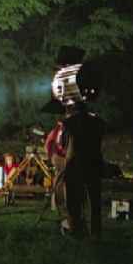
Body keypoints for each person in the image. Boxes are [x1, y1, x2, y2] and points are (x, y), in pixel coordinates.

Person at [61, 102, 105, 240]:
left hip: (75, 164)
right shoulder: (98, 122)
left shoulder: (69, 123)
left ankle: (76, 229)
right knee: (94, 201)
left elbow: (64, 144)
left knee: (74, 200)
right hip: (93, 163)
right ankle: (95, 232)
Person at [44, 120, 67, 211]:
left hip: (57, 157)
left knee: (60, 180)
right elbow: (60, 145)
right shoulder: (59, 131)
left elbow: (47, 145)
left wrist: (50, 156)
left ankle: (58, 203)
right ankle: (58, 203)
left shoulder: (55, 131)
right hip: (60, 157)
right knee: (61, 180)